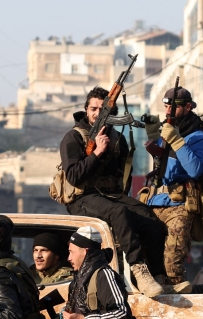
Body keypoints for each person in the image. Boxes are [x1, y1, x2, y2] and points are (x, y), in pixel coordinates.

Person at [60, 87, 166, 297]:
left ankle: (160, 276)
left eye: (103, 109)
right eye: (93, 108)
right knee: (118, 213)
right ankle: (139, 269)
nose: (98, 113)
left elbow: (124, 175)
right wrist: (97, 152)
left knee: (152, 222)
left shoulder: (117, 139)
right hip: (82, 198)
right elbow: (73, 176)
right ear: (86, 110)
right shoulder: (74, 138)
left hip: (110, 196)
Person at [143, 87, 203, 287]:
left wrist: (177, 141)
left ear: (188, 107)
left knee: (172, 265)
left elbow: (195, 169)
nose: (167, 112)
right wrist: (154, 136)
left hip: (179, 203)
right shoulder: (167, 131)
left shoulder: (196, 136)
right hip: (155, 200)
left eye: (172, 107)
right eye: (165, 107)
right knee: (147, 261)